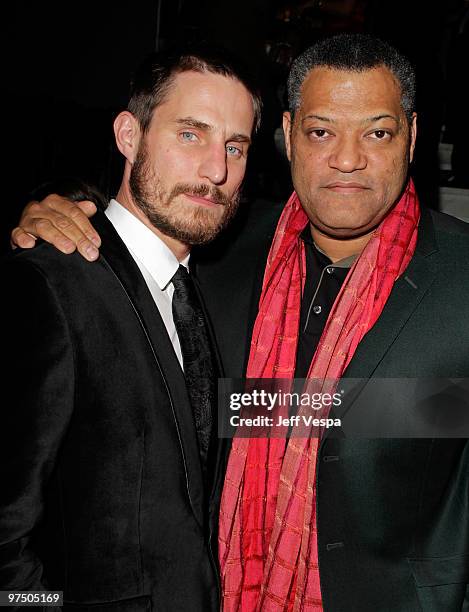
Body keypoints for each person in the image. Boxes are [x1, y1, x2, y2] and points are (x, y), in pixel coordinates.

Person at [10, 34, 469, 611]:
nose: (347, 158)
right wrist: (57, 212)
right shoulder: (224, 247)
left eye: (377, 132)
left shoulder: (461, 277)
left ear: (412, 138)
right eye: (322, 131)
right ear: (288, 136)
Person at [1, 44, 260, 611]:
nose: (216, 170)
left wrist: (439, 407)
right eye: (190, 134)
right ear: (128, 135)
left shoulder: (215, 287)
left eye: (235, 146)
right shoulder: (52, 280)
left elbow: (260, 413)